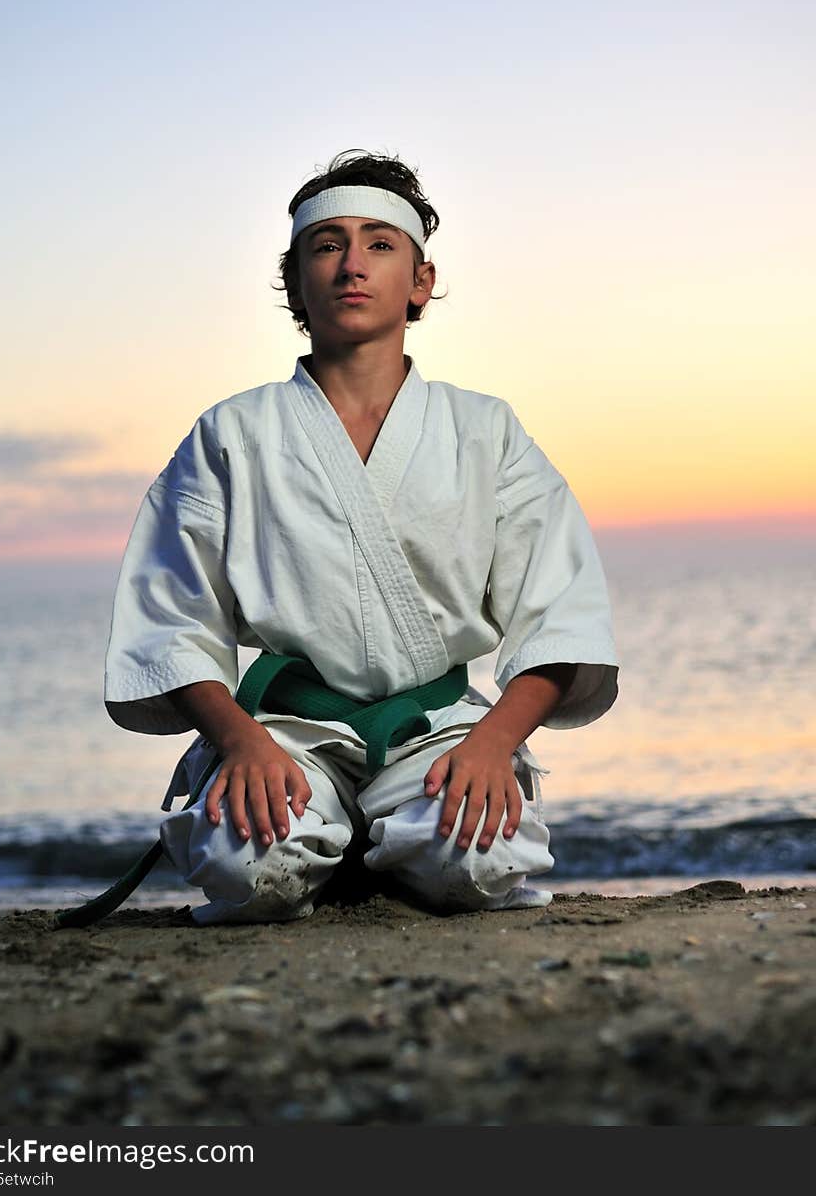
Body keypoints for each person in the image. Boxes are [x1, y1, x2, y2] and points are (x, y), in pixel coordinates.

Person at [103, 150, 619, 925]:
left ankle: (373, 844)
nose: (352, 265)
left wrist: (492, 743)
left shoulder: (483, 431)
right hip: (286, 731)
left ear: (420, 281)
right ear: (296, 281)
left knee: (477, 862)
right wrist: (240, 743)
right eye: (327, 244)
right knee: (247, 869)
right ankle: (333, 843)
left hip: (436, 729)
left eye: (380, 243)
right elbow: (172, 619)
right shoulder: (233, 433)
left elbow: (561, 612)